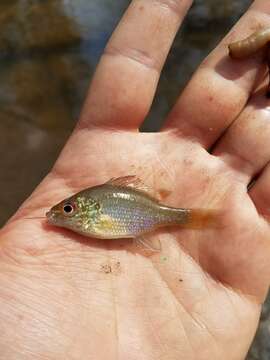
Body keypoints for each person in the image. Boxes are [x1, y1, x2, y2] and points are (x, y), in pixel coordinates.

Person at [1, 0, 270, 359]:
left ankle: (196, 218)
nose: (61, 213)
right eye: (66, 208)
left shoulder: (95, 214)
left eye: (67, 209)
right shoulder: (85, 218)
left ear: (83, 210)